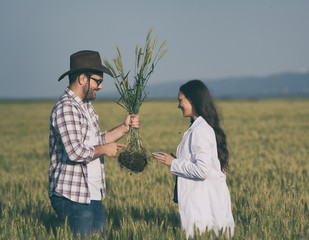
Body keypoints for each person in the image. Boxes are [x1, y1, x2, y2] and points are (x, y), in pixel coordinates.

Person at [49, 50, 140, 237]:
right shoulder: (66, 107)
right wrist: (106, 150)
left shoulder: (85, 106)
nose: (100, 86)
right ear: (83, 78)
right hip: (73, 197)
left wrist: (124, 128)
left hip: (92, 193)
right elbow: (75, 152)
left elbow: (95, 140)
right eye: (98, 81)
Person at [153, 80, 234, 238]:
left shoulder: (200, 130)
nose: (179, 105)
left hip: (203, 210)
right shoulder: (199, 127)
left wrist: (173, 162)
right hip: (200, 205)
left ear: (192, 99)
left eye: (180, 100)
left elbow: (202, 170)